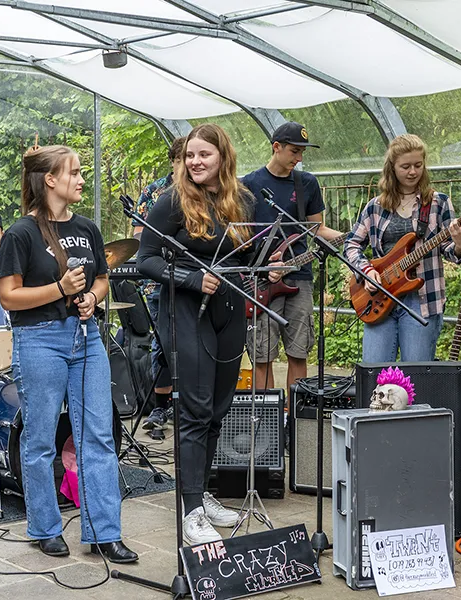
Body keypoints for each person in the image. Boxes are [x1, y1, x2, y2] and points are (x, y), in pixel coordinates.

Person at [0, 144, 138, 563]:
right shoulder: (20, 234)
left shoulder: (88, 228)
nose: (80, 179)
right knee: (39, 439)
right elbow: (8, 295)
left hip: (86, 337)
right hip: (38, 338)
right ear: (50, 180)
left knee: (97, 435)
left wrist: (92, 297)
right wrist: (59, 290)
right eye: (73, 173)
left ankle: (104, 533)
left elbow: (102, 278)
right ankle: (44, 527)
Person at [137, 123, 252, 545]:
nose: (195, 162)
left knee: (219, 408)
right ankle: (189, 511)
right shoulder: (170, 202)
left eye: (204, 154)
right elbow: (145, 260)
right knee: (195, 409)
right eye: (190, 155)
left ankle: (202, 495)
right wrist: (188, 278)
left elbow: (249, 252)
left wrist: (267, 265)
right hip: (185, 310)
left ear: (223, 156)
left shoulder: (242, 200)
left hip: (230, 309)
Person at [344, 133, 461, 362]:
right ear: (392, 168)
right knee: (374, 371)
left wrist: (460, 244)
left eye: (418, 165)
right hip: (379, 297)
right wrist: (366, 272)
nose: (413, 172)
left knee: (416, 374)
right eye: (406, 166)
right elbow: (351, 244)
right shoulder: (375, 207)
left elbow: (450, 252)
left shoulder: (438, 203)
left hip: (423, 300)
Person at [243, 122, 344, 394]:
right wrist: (262, 265)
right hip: (261, 281)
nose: (299, 159)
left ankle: (295, 415)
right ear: (276, 147)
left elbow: (317, 228)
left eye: (302, 153)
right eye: (294, 151)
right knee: (262, 352)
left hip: (299, 275)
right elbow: (240, 237)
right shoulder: (248, 185)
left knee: (299, 350)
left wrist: (352, 236)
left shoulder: (307, 182)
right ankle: (268, 419)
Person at [135, 136, 185, 434]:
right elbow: (140, 236)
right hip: (158, 283)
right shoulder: (154, 192)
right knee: (163, 343)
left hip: (191, 284)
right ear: (173, 162)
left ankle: (187, 404)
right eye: (182, 160)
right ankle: (160, 405)